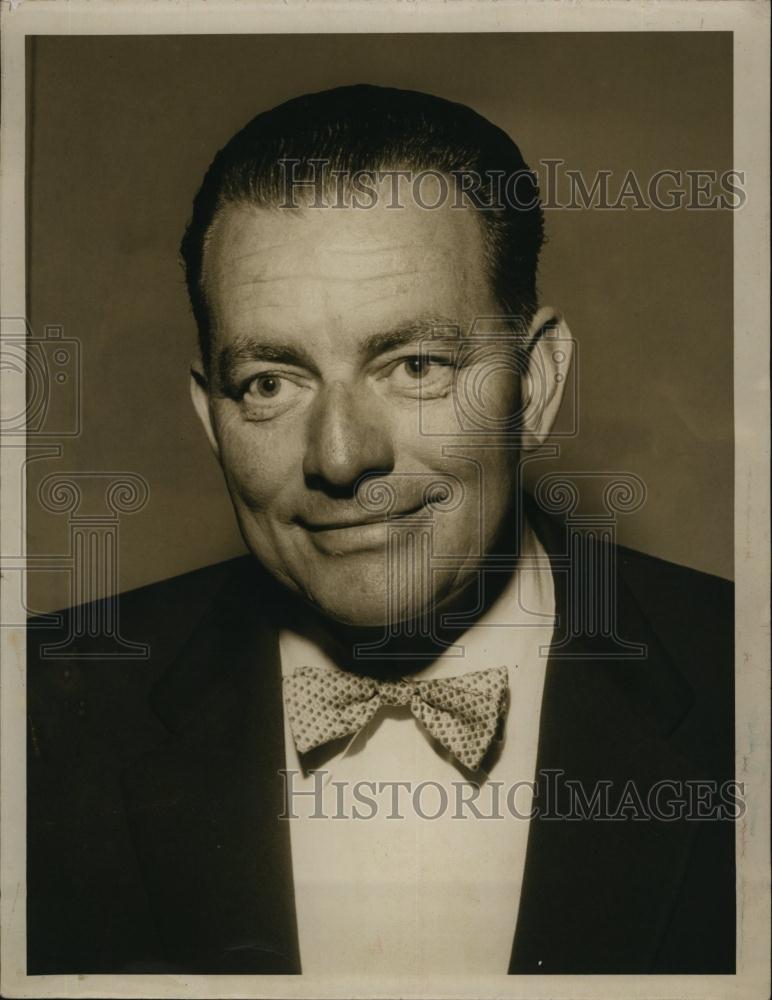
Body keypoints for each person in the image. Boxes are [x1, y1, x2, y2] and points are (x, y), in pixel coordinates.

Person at [27, 84, 735, 976]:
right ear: (212, 419)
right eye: (270, 383)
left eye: (415, 365)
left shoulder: (747, 686)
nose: (340, 455)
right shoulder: (36, 717)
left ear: (539, 383)